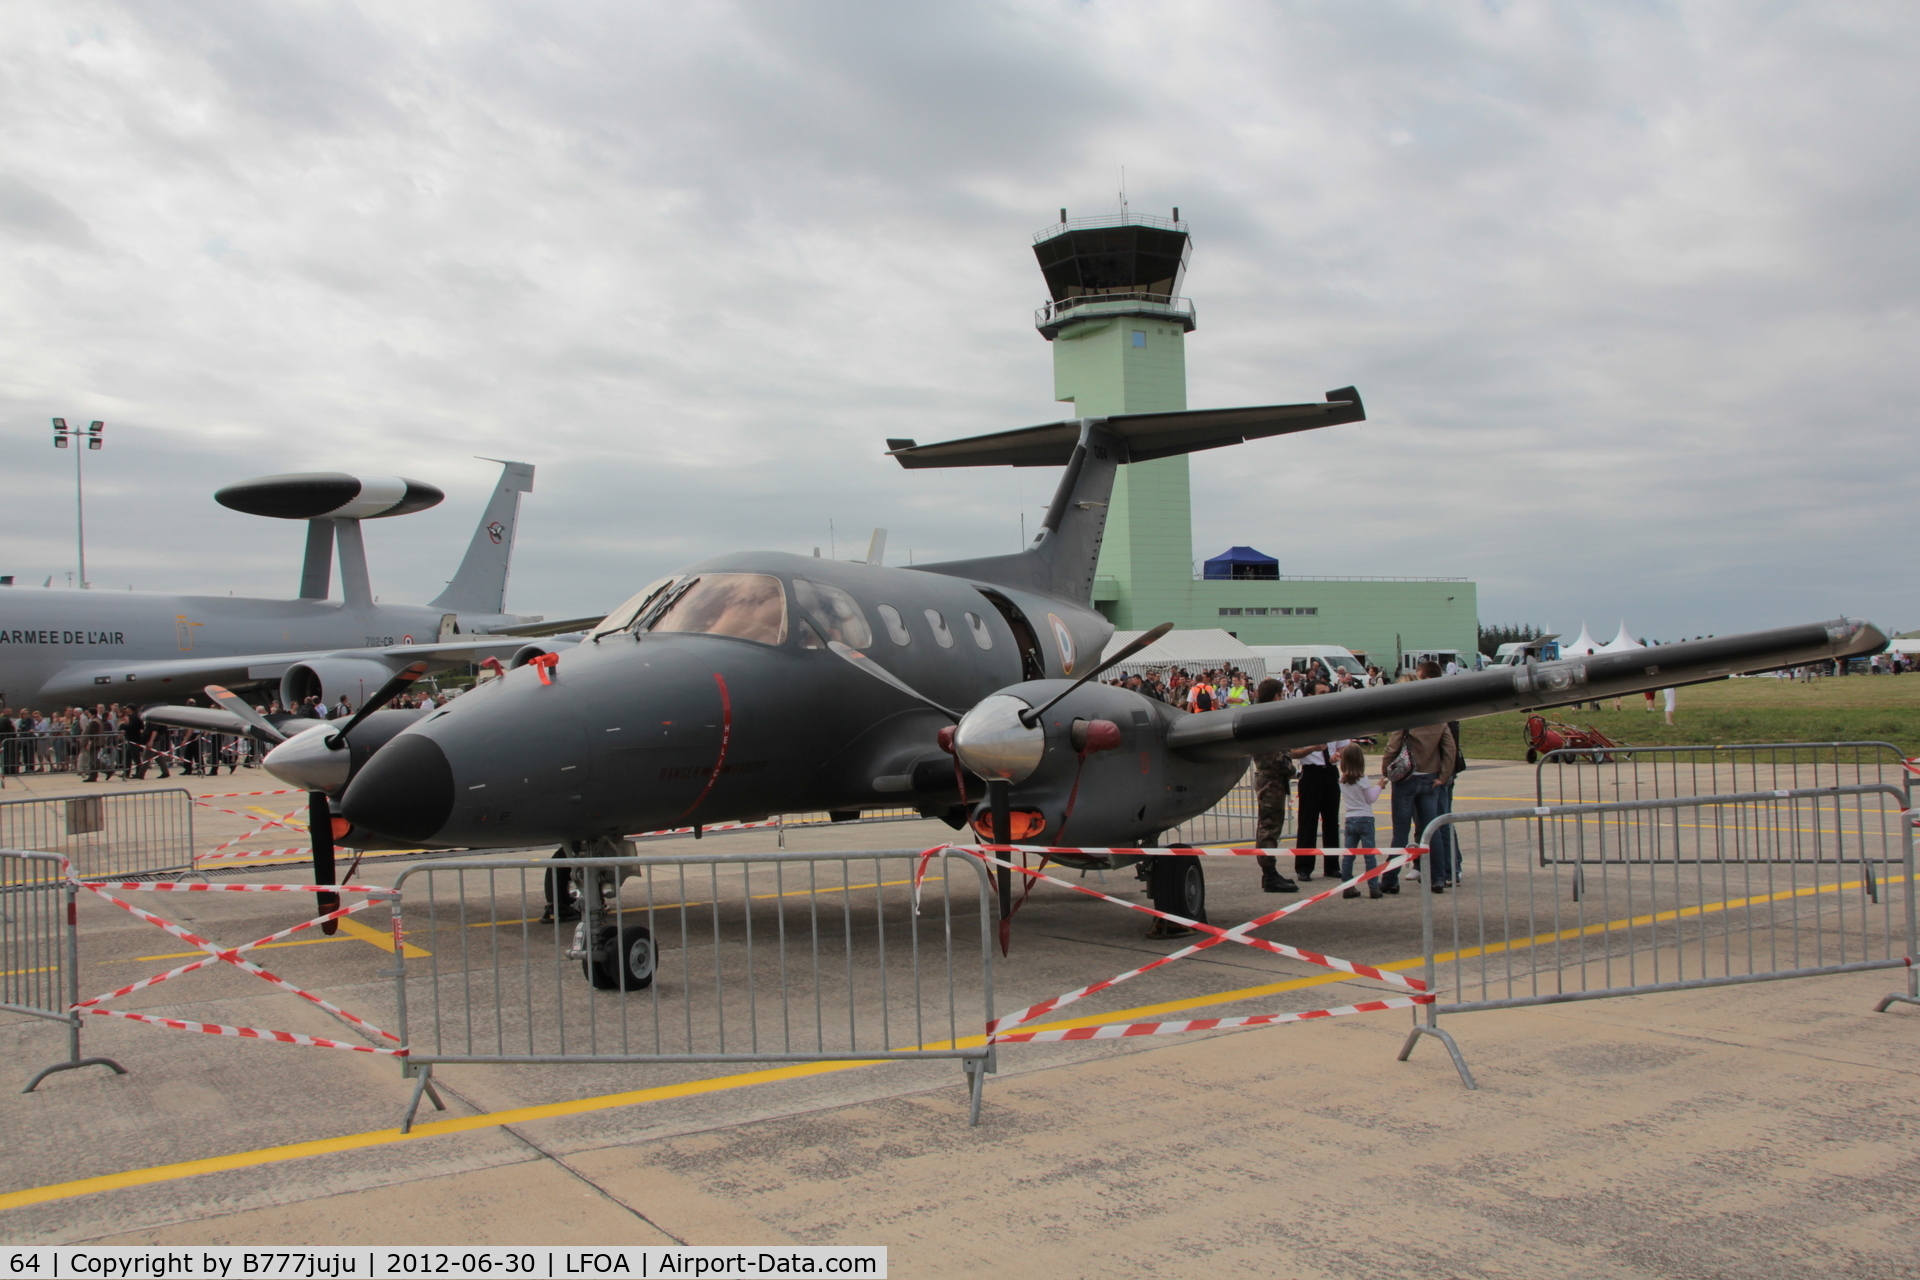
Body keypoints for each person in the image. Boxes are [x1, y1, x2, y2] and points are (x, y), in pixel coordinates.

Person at [1383, 662, 1459, 893]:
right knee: (1430, 831)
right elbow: (1450, 749)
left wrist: (1387, 771)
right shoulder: (1438, 718)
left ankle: (1390, 880)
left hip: (1406, 779)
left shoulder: (1406, 718)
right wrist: (1443, 776)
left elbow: (1392, 747)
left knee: (1400, 833)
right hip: (1430, 778)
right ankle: (1437, 877)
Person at [1289, 680, 1344, 881]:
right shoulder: (1302, 722)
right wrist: (1312, 748)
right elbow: (1293, 752)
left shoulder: (1334, 719)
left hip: (1329, 772)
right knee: (1307, 821)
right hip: (1311, 772)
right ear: (1310, 696)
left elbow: (1343, 746)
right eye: (1321, 692)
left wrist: (1338, 756)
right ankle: (1304, 867)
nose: (1326, 695)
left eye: (1327, 692)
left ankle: (1332, 865)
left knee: (1331, 821)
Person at [1248, 678, 1298, 894]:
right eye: (1281, 694)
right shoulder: (1265, 721)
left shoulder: (1261, 718)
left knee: (1270, 827)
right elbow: (1275, 758)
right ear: (1276, 696)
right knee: (1269, 828)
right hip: (1271, 781)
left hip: (1270, 779)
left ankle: (1270, 873)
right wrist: (1292, 769)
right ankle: (1269, 874)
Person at [1337, 742, 1384, 899]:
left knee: (1349, 855)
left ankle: (1347, 886)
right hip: (1365, 818)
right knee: (1369, 854)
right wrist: (1379, 786)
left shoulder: (1342, 779)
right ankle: (1373, 887)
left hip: (1350, 818)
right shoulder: (1362, 779)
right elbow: (1370, 799)